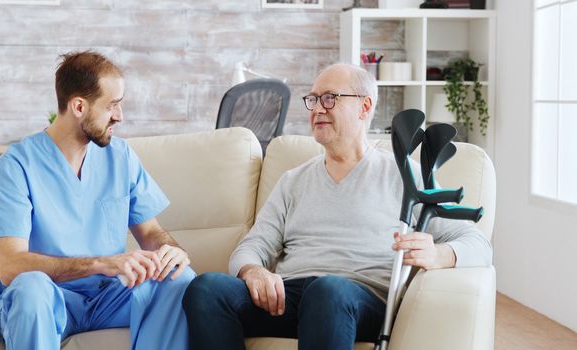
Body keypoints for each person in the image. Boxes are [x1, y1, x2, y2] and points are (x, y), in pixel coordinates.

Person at [182, 63, 492, 350]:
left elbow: (478, 243)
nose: (317, 108)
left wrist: (438, 254)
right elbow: (253, 246)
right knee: (206, 288)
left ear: (364, 106)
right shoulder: (293, 181)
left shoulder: (403, 175)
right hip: (291, 298)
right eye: (313, 100)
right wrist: (253, 271)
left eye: (329, 98)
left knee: (328, 290)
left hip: (358, 299)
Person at [0, 51, 195, 350]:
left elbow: (150, 233)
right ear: (79, 106)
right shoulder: (16, 166)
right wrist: (100, 264)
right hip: (50, 297)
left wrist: (171, 252)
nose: (120, 116)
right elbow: (9, 265)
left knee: (178, 278)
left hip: (109, 297)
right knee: (30, 287)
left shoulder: (120, 157)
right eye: (112, 105)